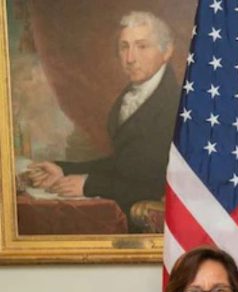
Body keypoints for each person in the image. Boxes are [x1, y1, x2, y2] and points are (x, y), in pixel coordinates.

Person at [25, 11, 179, 226]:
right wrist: (64, 169)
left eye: (142, 46)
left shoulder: (175, 105)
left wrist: (89, 185)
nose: (130, 58)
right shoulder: (128, 97)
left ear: (167, 51)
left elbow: (153, 183)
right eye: (124, 47)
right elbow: (125, 164)